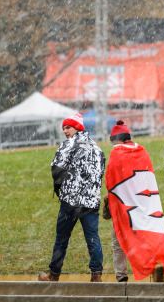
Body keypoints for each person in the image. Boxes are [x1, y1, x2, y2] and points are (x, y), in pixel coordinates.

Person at [38, 112, 105, 282]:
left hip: (71, 201)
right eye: (64, 128)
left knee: (62, 238)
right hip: (90, 202)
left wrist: (60, 189)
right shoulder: (97, 148)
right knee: (92, 238)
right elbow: (100, 172)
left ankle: (54, 275)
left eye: (68, 127)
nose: (65, 131)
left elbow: (56, 168)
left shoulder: (69, 144)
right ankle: (96, 275)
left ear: (77, 127)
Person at [105, 120, 164, 282]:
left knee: (119, 239)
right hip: (144, 203)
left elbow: (111, 182)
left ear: (116, 139)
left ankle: (121, 275)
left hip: (124, 206)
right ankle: (155, 263)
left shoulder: (116, 154)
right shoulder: (142, 151)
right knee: (145, 236)